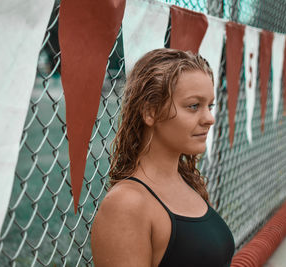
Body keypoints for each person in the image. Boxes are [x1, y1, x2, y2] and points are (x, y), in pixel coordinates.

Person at [91, 48, 235, 267]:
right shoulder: (126, 205)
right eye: (194, 106)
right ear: (150, 112)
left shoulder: (188, 182)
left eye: (210, 106)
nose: (209, 118)